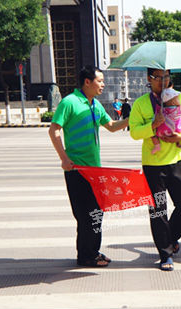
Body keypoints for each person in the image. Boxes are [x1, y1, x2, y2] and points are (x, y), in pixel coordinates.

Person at [48, 65, 128, 267]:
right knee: (85, 216)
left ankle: (93, 251)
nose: (103, 84)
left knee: (96, 213)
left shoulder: (95, 104)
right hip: (77, 170)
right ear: (87, 82)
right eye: (100, 81)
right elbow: (54, 130)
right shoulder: (69, 102)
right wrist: (64, 159)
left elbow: (111, 126)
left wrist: (131, 119)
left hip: (95, 170)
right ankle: (85, 256)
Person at [129, 68, 181, 271]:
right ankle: (165, 254)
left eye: (166, 77)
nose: (163, 81)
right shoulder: (141, 103)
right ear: (149, 79)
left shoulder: (179, 97)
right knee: (158, 210)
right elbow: (134, 131)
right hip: (153, 165)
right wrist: (152, 125)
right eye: (159, 77)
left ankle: (170, 238)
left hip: (177, 160)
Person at [150, 88, 181, 154]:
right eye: (177, 98)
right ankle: (180, 143)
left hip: (162, 131)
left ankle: (157, 145)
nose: (179, 100)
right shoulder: (178, 108)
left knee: (151, 132)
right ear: (173, 102)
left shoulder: (161, 109)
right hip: (176, 131)